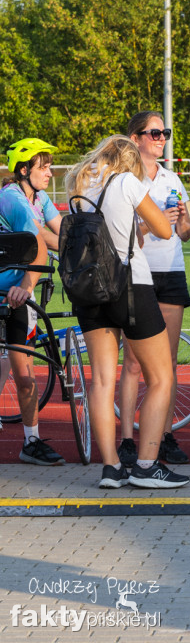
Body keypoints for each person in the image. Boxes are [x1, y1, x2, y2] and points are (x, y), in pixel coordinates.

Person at [65, 135, 190, 489]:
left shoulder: (82, 183)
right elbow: (165, 231)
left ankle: (110, 467)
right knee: (161, 377)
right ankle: (147, 465)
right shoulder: (126, 182)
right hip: (130, 285)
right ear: (129, 159)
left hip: (88, 289)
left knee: (102, 380)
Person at [117, 111, 190, 469]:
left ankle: (164, 436)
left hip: (171, 272)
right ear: (135, 138)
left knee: (169, 362)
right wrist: (151, 225)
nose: (161, 138)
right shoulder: (123, 180)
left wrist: (182, 221)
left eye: (165, 132)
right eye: (154, 133)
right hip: (138, 273)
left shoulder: (172, 178)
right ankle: (129, 441)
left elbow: (186, 232)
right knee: (133, 364)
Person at [0, 138, 64, 464]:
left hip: (16, 299)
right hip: (9, 293)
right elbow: (40, 245)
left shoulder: (39, 197)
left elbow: (61, 231)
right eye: (44, 167)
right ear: (24, 170)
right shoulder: (11, 199)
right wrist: (26, 285)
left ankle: (31, 442)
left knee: (24, 377)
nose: (50, 172)